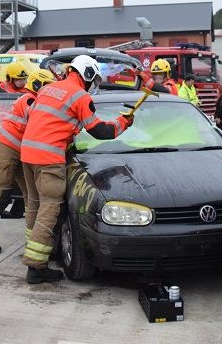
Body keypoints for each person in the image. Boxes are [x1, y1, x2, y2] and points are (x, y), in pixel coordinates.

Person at [20, 55, 134, 284]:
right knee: (50, 209)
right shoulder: (79, 96)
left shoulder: (49, 89)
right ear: (88, 74)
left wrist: (67, 133)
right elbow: (101, 131)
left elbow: (43, 120)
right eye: (94, 80)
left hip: (28, 154)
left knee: (35, 204)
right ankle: (36, 266)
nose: (93, 85)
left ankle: (39, 249)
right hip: (49, 158)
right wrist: (124, 122)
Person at [0, 69, 56, 255]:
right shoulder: (29, 100)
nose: (52, 92)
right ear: (38, 85)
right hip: (5, 149)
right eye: (49, 87)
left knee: (31, 196)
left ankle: (33, 242)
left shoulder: (32, 99)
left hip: (20, 152)